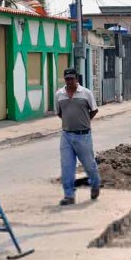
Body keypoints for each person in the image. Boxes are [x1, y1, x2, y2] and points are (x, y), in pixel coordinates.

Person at [55, 68, 101, 206]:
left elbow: (94, 110)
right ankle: (69, 195)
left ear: (77, 79)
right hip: (66, 135)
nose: (69, 81)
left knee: (89, 164)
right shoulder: (59, 95)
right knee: (67, 166)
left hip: (83, 135)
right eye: (67, 79)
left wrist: (84, 121)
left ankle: (95, 184)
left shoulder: (86, 93)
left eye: (72, 79)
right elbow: (59, 113)